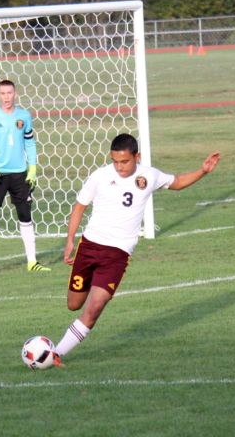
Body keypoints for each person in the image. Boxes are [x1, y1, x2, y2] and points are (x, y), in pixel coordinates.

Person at [54, 133, 220, 360]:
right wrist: (70, 240)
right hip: (90, 247)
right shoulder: (100, 176)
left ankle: (55, 354)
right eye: (115, 161)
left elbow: (177, 182)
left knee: (93, 309)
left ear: (137, 157)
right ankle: (94, 280)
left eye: (125, 161)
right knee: (74, 305)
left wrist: (202, 171)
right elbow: (80, 206)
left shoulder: (149, 175)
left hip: (117, 255)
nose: (120, 167)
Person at [0, 79, 48, 275]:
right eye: (3, 93)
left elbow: (30, 143)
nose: (7, 97)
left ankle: (32, 261)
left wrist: (32, 169)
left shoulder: (24, 116)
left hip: (20, 175)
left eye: (10, 93)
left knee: (25, 216)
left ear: (15, 93)